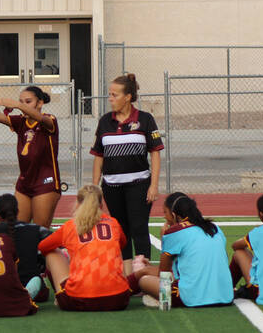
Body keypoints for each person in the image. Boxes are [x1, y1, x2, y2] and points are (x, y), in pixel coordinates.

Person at [90, 73, 162, 262]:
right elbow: (99, 156)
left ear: (128, 97)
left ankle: (142, 276)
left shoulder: (145, 119)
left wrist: (153, 185)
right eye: (109, 94)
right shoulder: (105, 121)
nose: (110, 99)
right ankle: (126, 276)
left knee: (139, 228)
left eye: (114, 95)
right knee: (120, 232)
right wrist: (95, 187)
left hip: (139, 185)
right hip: (111, 187)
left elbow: (155, 152)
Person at [0, 86, 62, 226]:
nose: (23, 105)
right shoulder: (21, 122)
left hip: (45, 183)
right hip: (25, 183)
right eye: (21, 101)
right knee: (16, 228)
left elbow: (42, 119)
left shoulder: (49, 120)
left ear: (40, 103)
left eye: (28, 101)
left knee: (40, 231)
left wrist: (18, 105)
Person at [39, 185, 132, 312]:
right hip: (118, 299)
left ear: (77, 203)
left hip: (77, 300)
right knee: (115, 248)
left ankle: (59, 294)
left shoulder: (70, 226)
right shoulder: (113, 223)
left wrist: (68, 253)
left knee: (51, 252)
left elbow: (43, 246)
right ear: (101, 205)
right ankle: (114, 283)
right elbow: (123, 244)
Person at [137, 195, 233, 307]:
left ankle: (158, 299)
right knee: (147, 271)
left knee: (144, 280)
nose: (165, 217)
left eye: (165, 213)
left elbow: (163, 275)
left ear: (174, 215)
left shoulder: (175, 231)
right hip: (226, 296)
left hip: (191, 297)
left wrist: (164, 238)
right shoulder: (214, 228)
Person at [0, 193, 50, 299]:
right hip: (37, 291)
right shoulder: (36, 230)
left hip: (1, 290)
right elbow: (57, 243)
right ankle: (60, 292)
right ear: (17, 211)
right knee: (53, 251)